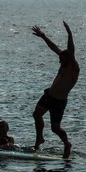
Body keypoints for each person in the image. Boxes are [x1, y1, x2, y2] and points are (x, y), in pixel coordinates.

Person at [31, 21, 80, 157]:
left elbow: (71, 50)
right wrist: (43, 36)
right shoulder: (64, 61)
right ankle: (39, 139)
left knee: (55, 128)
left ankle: (67, 144)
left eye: (61, 60)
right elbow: (54, 47)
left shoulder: (73, 67)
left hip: (59, 101)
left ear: (68, 59)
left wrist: (69, 34)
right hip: (49, 95)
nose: (59, 62)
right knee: (36, 114)